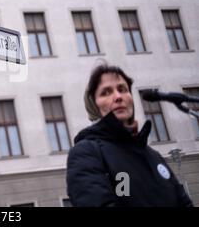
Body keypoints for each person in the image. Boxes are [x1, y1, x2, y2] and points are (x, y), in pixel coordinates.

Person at [67, 64, 193, 207]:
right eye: (106, 92)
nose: (118, 96)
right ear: (94, 107)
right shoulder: (87, 152)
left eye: (122, 89)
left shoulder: (154, 156)